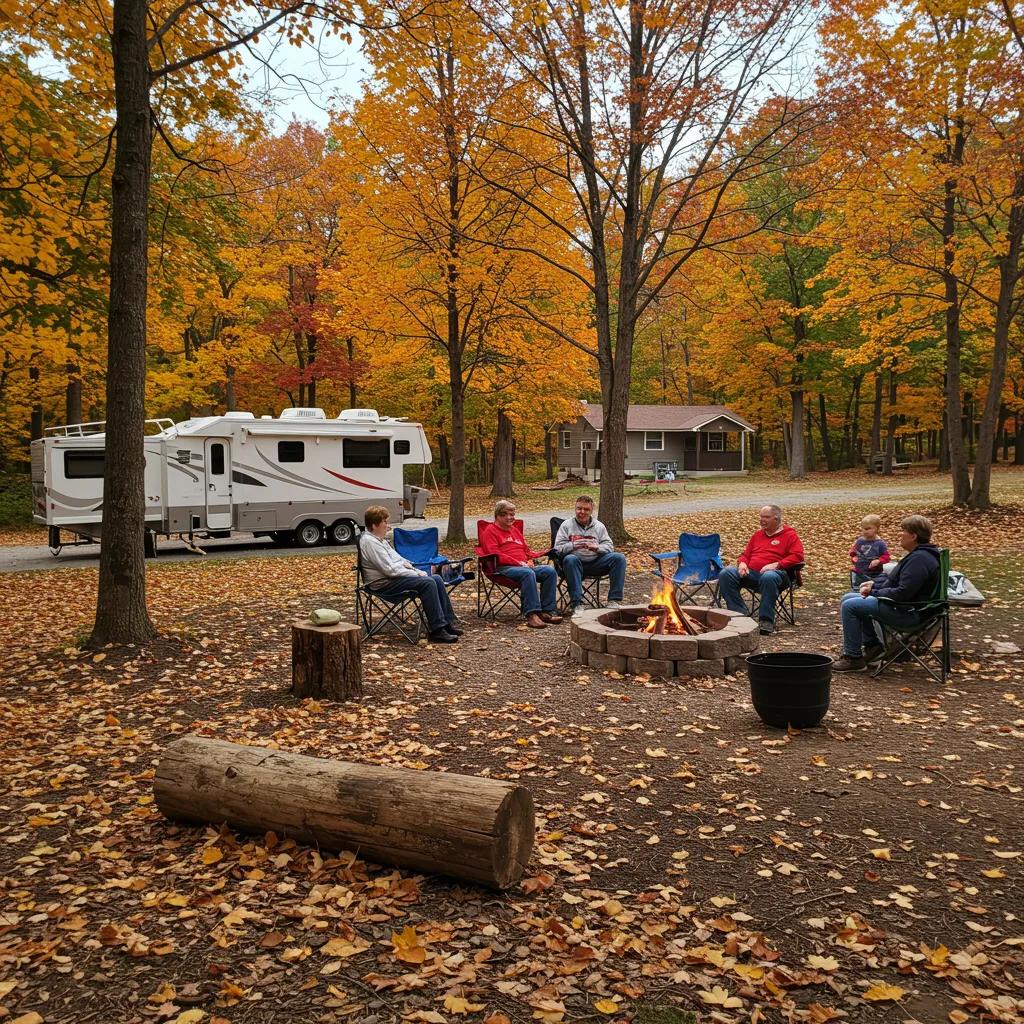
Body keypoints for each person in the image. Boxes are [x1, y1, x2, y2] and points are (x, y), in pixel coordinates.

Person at [834, 514, 941, 672]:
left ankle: (853, 658)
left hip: (909, 612)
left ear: (913, 536)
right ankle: (872, 647)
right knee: (848, 597)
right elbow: (897, 582)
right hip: (905, 606)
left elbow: (903, 593)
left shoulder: (920, 559)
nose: (900, 534)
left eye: (903, 531)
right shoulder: (919, 555)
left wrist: (874, 592)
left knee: (851, 606)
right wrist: (874, 584)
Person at [359, 506, 462, 644]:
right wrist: (416, 574)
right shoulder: (370, 543)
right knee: (428, 582)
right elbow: (390, 570)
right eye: (384, 522)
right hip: (383, 583)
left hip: (393, 578)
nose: (387, 525)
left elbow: (399, 560)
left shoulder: (380, 540)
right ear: (374, 525)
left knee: (436, 578)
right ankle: (437, 630)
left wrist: (413, 568)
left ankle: (446, 623)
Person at [717, 504, 805, 635]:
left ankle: (766, 621)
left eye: (766, 517)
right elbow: (745, 555)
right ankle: (740, 615)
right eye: (761, 517)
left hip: (779, 576)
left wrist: (777, 564)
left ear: (776, 519)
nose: (762, 520)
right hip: (752, 574)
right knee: (726, 573)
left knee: (768, 576)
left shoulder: (789, 535)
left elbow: (798, 556)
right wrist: (742, 564)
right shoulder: (757, 535)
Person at [478, 500, 563, 629]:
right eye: (505, 514)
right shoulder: (490, 531)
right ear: (497, 515)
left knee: (549, 571)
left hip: (523, 566)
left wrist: (533, 558)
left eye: (512, 514)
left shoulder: (514, 530)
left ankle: (547, 611)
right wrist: (520, 563)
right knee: (527, 573)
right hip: (502, 568)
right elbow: (495, 554)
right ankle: (532, 614)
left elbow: (526, 551)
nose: (509, 517)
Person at [554, 495, 627, 617]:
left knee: (619, 558)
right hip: (573, 565)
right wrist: (573, 545)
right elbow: (557, 549)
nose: (582, 512)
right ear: (575, 508)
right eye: (579, 509)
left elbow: (609, 546)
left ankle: (613, 600)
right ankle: (577, 604)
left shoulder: (599, 526)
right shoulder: (566, 525)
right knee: (570, 559)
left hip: (595, 563)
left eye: (586, 509)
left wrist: (597, 548)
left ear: (591, 510)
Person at [849, 514, 890, 585]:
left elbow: (886, 557)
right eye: (863, 528)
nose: (865, 531)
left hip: (874, 575)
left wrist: (879, 561)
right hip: (859, 572)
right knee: (857, 588)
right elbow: (855, 550)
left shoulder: (880, 543)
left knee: (868, 589)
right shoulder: (860, 541)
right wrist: (853, 555)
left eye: (868, 529)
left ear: (877, 529)